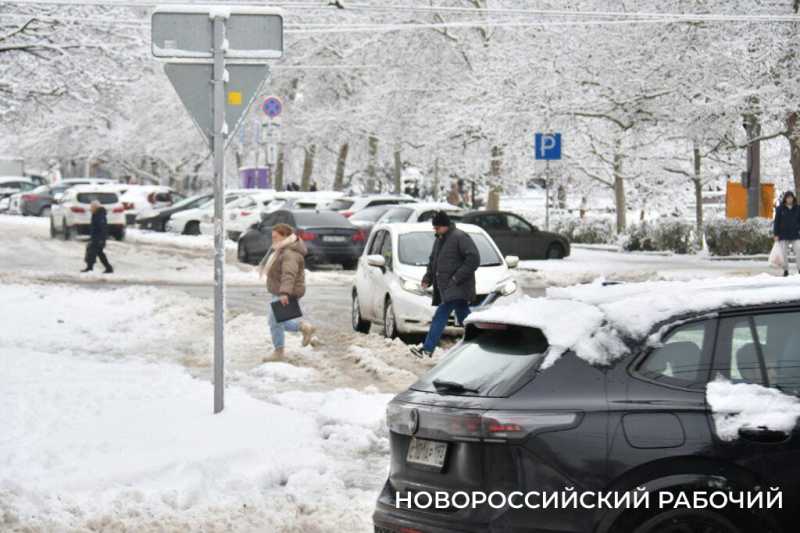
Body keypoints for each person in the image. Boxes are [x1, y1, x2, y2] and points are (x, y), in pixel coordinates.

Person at [410, 211, 480, 358]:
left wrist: (456, 278)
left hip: (458, 286)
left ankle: (428, 349)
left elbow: (474, 259)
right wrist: (427, 278)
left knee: (440, 316)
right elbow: (433, 261)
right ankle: (480, 342)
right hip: (448, 287)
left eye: (437, 227)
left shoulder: (460, 237)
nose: (434, 230)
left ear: (445, 225)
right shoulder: (440, 239)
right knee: (465, 318)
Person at [257, 223, 316, 360]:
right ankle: (304, 328)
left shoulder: (290, 253)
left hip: (286, 292)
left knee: (274, 321)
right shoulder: (282, 249)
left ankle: (279, 352)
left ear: (285, 236)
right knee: (277, 321)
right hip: (279, 291)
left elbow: (289, 274)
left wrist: (284, 293)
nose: (273, 240)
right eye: (272, 237)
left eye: (275, 237)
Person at [81, 200, 113, 274]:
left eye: (92, 207)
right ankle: (108, 267)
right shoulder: (96, 214)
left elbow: (102, 228)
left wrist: (101, 239)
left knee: (92, 252)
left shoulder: (100, 216)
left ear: (95, 207)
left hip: (98, 238)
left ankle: (90, 268)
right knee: (98, 253)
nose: (90, 209)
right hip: (96, 237)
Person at [773, 190, 800, 277]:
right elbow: (776, 222)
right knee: (784, 253)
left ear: (793, 198)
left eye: (791, 197)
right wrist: (776, 234)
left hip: (795, 234)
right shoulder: (780, 209)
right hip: (783, 235)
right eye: (788, 198)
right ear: (785, 199)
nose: (789, 199)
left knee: (799, 251)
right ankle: (785, 270)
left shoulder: (798, 208)